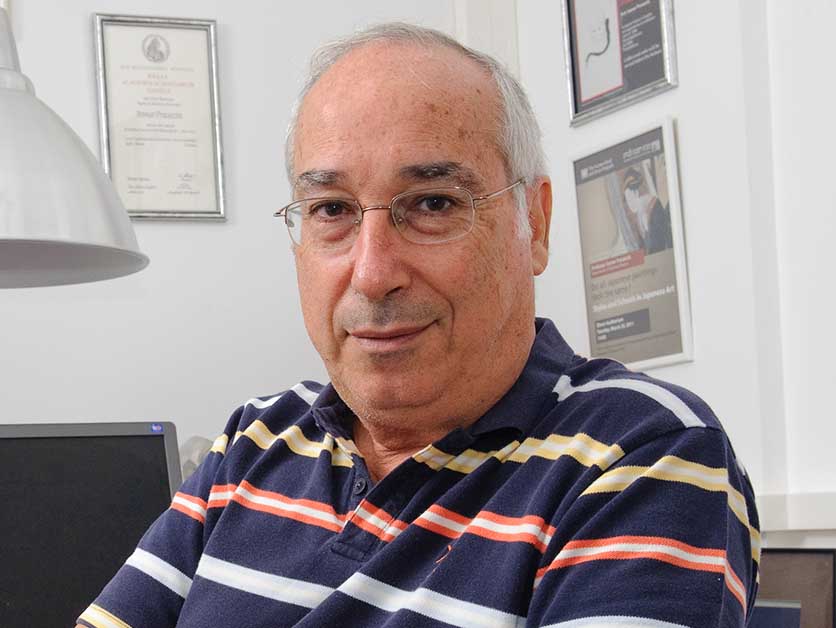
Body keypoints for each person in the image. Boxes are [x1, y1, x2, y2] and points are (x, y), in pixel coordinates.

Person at [77, 22, 759, 628]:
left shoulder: (644, 455)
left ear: (535, 223)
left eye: (432, 203)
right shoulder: (253, 443)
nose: (373, 273)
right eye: (332, 209)